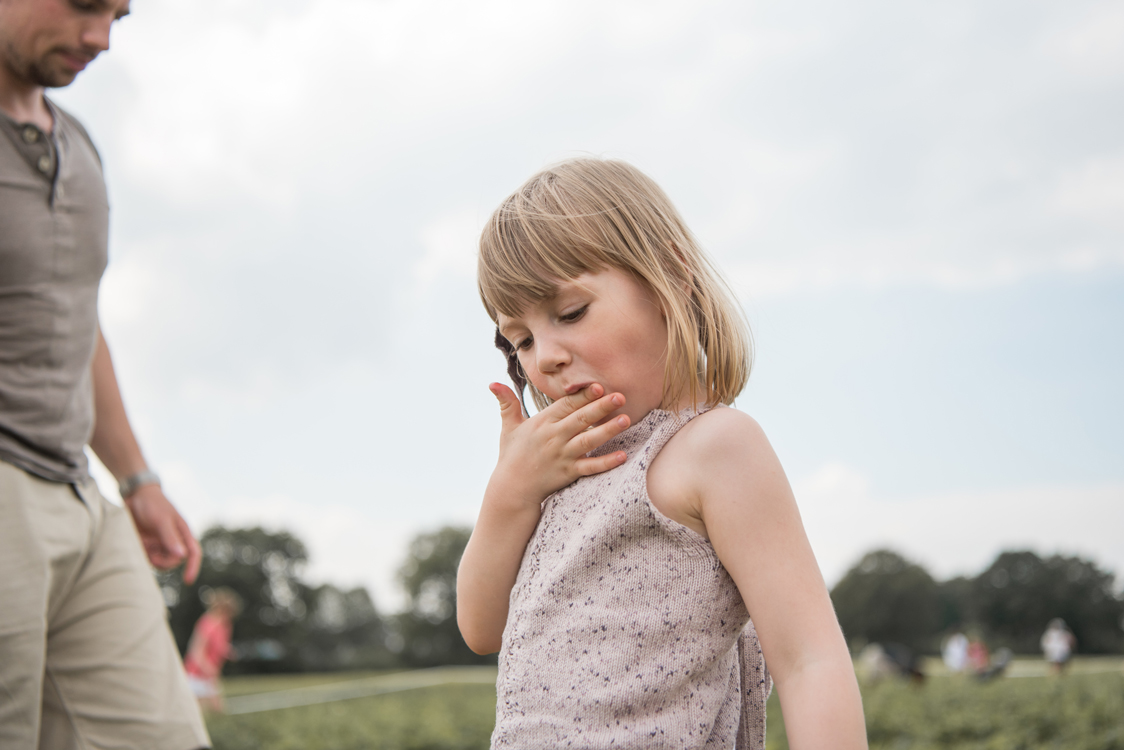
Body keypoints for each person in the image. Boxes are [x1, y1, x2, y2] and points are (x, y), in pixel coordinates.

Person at [457, 158, 867, 749]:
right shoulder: (556, 476)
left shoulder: (712, 448)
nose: (543, 355)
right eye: (519, 339)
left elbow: (810, 662)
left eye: (569, 312)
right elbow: (480, 626)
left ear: (670, 278)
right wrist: (510, 492)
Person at [0, 1, 210, 748]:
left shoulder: (79, 146)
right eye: (85, 5)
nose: (101, 38)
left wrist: (136, 479)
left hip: (81, 500)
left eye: (118, 15)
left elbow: (75, 318)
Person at [185, 588, 243, 714]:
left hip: (210, 675)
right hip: (196, 675)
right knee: (199, 712)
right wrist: (207, 668)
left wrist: (228, 651)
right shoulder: (207, 623)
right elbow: (196, 650)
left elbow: (220, 645)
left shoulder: (225, 625)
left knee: (218, 711)